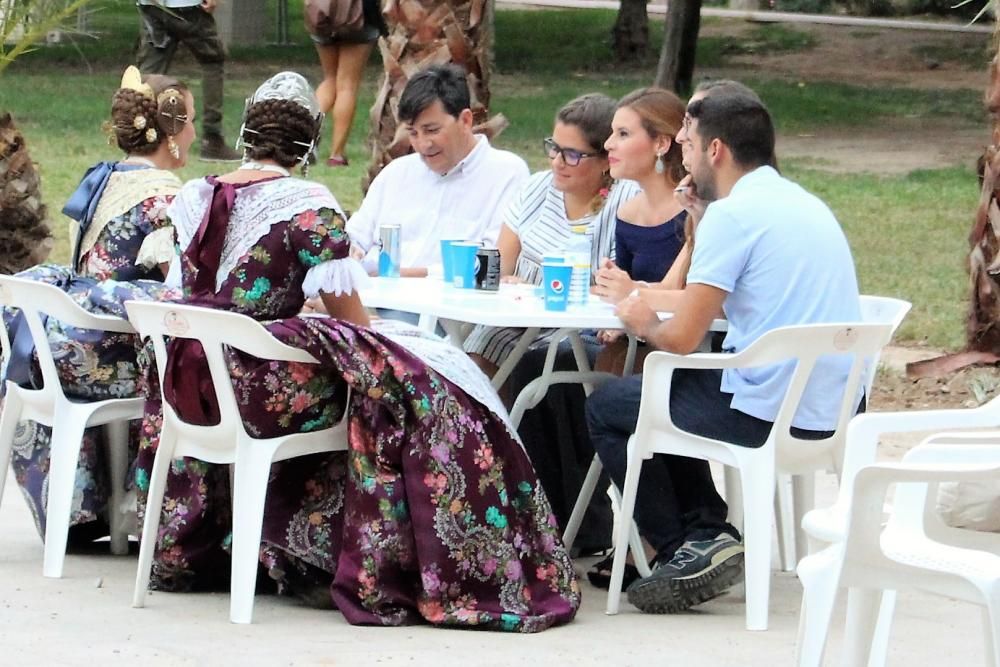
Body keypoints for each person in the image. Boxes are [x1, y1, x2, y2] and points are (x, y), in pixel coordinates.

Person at [137, 72, 580, 631]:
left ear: (248, 134)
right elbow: (357, 324)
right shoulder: (308, 205)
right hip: (260, 392)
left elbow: (195, 288)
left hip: (187, 382)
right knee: (395, 397)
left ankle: (286, 552)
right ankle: (368, 563)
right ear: (308, 145)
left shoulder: (194, 194)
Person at [585, 82, 863, 614]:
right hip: (833, 407)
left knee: (609, 405)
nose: (684, 159)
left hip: (769, 413)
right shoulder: (801, 201)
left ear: (715, 150)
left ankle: (685, 543)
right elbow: (717, 298)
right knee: (661, 394)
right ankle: (705, 532)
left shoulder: (736, 216)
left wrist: (640, 318)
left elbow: (682, 338)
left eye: (687, 145)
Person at [3, 66, 194, 542]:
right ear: (171, 132)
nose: (193, 130)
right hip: (107, 351)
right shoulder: (168, 198)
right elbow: (181, 279)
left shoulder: (100, 183)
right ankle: (172, 524)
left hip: (56, 344)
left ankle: (100, 509)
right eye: (188, 119)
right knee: (199, 364)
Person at [459, 94, 636, 557]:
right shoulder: (538, 189)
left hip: (584, 327)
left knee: (547, 370)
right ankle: (482, 493)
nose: (558, 161)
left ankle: (552, 518)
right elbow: (502, 262)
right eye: (553, 147)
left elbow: (613, 281)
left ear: (605, 162)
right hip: (519, 318)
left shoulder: (624, 203)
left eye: (573, 153)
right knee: (470, 368)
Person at [346, 64, 529, 278]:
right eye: (413, 133)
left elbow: (490, 265)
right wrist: (350, 252)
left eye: (432, 130)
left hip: (450, 306)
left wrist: (396, 275)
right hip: (373, 300)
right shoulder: (396, 173)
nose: (423, 144)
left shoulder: (506, 174)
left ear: (465, 120)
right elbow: (355, 235)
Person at [590, 87, 689, 378]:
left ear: (661, 143)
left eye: (622, 134)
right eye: (612, 133)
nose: (608, 144)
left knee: (612, 366)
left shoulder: (695, 210)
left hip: (688, 342)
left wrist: (629, 291)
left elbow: (686, 295)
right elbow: (622, 290)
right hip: (638, 336)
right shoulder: (627, 213)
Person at [136, 0, 241, 161]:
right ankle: (212, 138)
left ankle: (136, 133)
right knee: (212, 61)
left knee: (150, 71)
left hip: (152, 5)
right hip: (188, 5)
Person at [311, 0, 387, 167]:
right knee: (347, 85)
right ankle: (336, 155)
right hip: (359, 17)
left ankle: (306, 135)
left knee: (330, 78)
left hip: (323, 13)